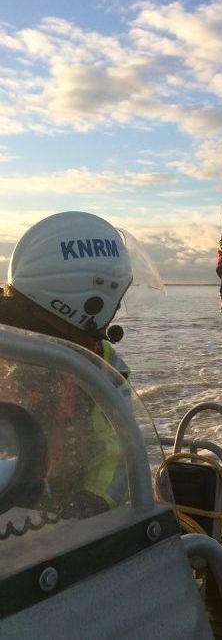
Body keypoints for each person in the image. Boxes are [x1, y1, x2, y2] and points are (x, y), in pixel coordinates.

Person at [0, 211, 134, 518]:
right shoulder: (97, 365)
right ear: (90, 301)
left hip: (70, 536)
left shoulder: (100, 361)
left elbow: (117, 449)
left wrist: (93, 502)